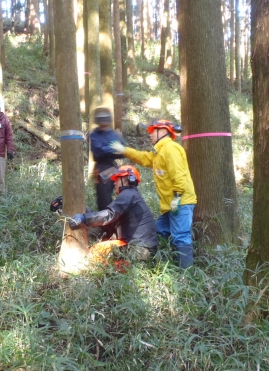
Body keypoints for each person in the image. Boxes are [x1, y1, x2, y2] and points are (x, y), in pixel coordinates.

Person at [110, 119, 197, 268]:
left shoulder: (170, 148)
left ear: (163, 131)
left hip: (180, 202)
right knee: (160, 232)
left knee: (181, 237)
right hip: (170, 205)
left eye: (152, 131)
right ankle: (161, 266)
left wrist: (177, 198)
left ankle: (186, 275)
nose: (149, 134)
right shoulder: (159, 152)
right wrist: (124, 150)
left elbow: (179, 176)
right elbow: (144, 158)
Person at [69, 165, 158, 263]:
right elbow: (110, 223)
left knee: (97, 254)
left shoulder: (128, 194)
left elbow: (109, 215)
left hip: (140, 250)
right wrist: (88, 212)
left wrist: (84, 218)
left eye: (117, 179)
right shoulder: (131, 195)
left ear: (128, 179)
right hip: (139, 247)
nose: (114, 182)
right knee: (100, 249)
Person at [89, 107, 127, 212]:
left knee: (123, 194)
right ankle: (105, 225)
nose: (104, 121)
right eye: (101, 119)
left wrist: (108, 149)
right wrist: (114, 148)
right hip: (101, 168)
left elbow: (124, 150)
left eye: (105, 118)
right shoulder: (93, 134)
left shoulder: (114, 134)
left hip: (113, 167)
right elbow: (98, 151)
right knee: (103, 199)